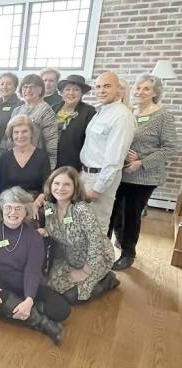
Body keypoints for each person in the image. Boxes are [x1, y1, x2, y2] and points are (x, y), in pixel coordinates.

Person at [0, 187, 71, 345]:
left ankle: (4, 310)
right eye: (8, 207)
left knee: (62, 310)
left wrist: (29, 300)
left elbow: (32, 272)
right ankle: (43, 324)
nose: (13, 213)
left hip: (25, 282)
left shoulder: (34, 236)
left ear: (26, 211)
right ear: (2, 209)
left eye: (18, 208)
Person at [109, 74, 178, 270]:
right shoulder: (131, 113)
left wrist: (142, 161)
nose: (140, 92)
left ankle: (128, 253)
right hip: (122, 172)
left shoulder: (163, 116)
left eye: (146, 89)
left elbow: (171, 147)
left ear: (155, 93)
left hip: (144, 176)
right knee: (116, 212)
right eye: (138, 88)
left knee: (131, 214)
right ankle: (121, 241)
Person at [40, 167, 119, 304]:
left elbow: (96, 245)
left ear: (75, 187)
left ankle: (108, 279)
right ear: (50, 185)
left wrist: (85, 272)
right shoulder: (49, 207)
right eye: (56, 183)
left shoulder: (82, 211)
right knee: (52, 287)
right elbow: (54, 227)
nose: (60, 188)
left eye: (66, 184)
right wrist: (45, 231)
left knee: (73, 298)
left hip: (96, 258)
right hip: (71, 257)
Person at [79, 71, 136, 236]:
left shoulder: (122, 116)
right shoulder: (102, 111)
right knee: (82, 223)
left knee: (96, 226)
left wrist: (98, 188)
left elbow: (115, 158)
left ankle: (96, 262)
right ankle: (80, 261)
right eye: (98, 87)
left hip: (100, 178)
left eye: (107, 86)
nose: (101, 90)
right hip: (86, 173)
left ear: (118, 90)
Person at [0, 115, 50, 221]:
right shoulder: (5, 158)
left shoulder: (42, 156)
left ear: (31, 133)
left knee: (34, 218)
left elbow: (47, 187)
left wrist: (36, 203)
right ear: (11, 135)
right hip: (11, 200)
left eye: (24, 131)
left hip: (34, 200)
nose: (20, 136)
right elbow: (2, 188)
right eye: (16, 132)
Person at [10, 74, 58, 170]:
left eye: (32, 87)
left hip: (36, 162)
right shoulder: (17, 110)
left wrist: (50, 168)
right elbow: (8, 138)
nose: (28, 90)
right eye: (25, 87)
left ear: (40, 90)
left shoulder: (46, 111)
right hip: (15, 159)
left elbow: (51, 141)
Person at [53, 75, 95, 170]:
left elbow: (89, 141)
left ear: (82, 93)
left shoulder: (89, 111)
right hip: (51, 159)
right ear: (62, 92)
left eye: (76, 90)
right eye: (67, 89)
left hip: (73, 162)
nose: (71, 93)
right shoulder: (53, 108)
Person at [0, 72, 22, 153]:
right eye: (2, 84)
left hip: (8, 151)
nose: (4, 87)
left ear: (15, 87)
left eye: (8, 84)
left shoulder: (20, 106)